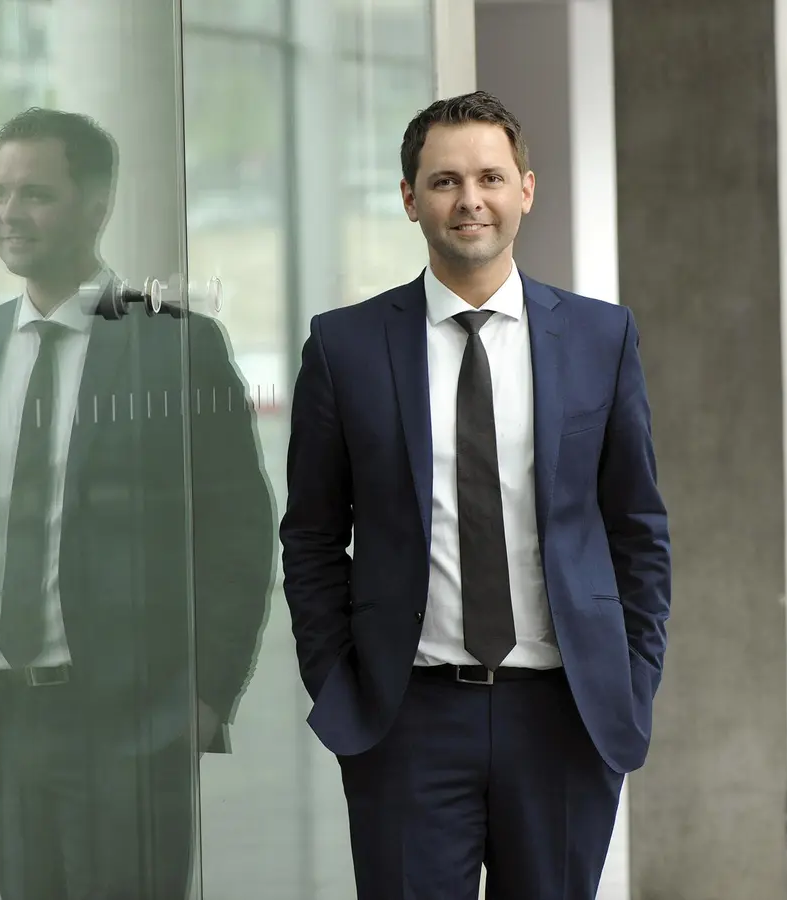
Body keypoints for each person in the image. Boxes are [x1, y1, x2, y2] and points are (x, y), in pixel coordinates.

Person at [280, 91, 672, 899]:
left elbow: (638, 528)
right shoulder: (345, 348)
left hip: (564, 716)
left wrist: (631, 677)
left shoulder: (601, 339)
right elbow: (313, 537)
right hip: (407, 720)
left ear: (525, 189)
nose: (470, 200)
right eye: (445, 181)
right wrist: (338, 682)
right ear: (409, 198)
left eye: (491, 177)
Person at [0, 108, 275, 899]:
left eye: (34, 194)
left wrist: (205, 698)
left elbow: (238, 536)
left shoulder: (175, 344)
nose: (9, 214)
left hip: (130, 724)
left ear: (96, 203)